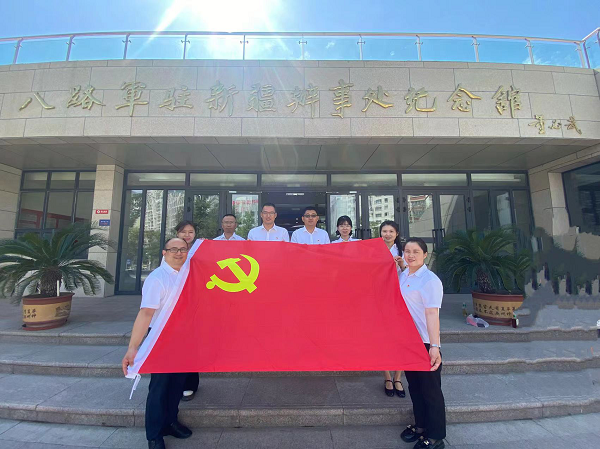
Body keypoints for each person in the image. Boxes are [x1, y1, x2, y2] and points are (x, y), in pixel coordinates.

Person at [122, 238, 192, 449]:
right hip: (162, 338)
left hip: (185, 338)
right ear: (164, 252)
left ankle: (170, 422)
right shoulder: (157, 278)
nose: (178, 253)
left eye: (183, 249)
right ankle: (154, 435)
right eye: (173, 249)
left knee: (177, 385)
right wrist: (133, 348)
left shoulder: (188, 274)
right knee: (159, 387)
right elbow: (146, 314)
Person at [399, 237, 446, 449]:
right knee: (415, 387)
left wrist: (435, 346)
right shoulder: (404, 275)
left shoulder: (430, 280)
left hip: (426, 342)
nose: (411, 255)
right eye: (407, 251)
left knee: (431, 391)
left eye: (416, 252)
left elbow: (432, 314)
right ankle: (420, 426)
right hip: (409, 341)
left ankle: (436, 436)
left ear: (425, 255)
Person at [380, 220, 407, 398]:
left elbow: (411, 274)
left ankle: (398, 377)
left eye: (391, 231)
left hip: (401, 298)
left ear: (396, 234)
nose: (387, 234)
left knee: (401, 338)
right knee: (383, 337)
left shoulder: (404, 251)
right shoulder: (374, 250)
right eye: (384, 231)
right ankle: (387, 377)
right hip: (381, 298)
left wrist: (402, 265)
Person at [174, 220, 200, 402]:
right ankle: (180, 384)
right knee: (179, 345)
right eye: (184, 231)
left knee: (192, 344)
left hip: (195, 302)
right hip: (176, 304)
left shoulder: (199, 250)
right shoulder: (171, 250)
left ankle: (191, 384)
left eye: (191, 232)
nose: (187, 235)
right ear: (178, 233)